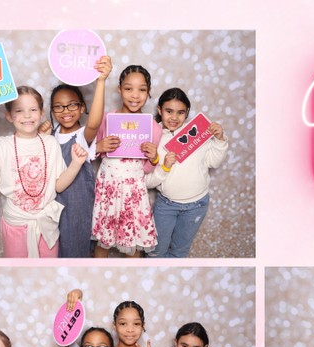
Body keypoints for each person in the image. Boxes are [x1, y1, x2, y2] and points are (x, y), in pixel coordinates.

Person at [0, 86, 88, 257]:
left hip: (46, 226)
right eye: (19, 110)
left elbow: (58, 186)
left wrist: (76, 164)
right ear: (9, 116)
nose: (27, 116)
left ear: (41, 113)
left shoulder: (50, 143)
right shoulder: (2, 146)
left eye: (33, 110)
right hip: (15, 227)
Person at [146, 88, 229, 257]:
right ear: (159, 110)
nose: (174, 118)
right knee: (155, 252)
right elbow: (147, 182)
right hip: (166, 205)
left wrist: (220, 140)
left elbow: (214, 161)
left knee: (179, 251)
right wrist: (165, 167)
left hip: (196, 205)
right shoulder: (153, 137)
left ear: (187, 113)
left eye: (180, 112)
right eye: (169, 111)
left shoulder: (196, 131)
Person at [91, 65, 162, 257]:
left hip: (134, 192)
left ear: (148, 93)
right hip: (109, 188)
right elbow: (90, 152)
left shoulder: (153, 128)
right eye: (129, 88)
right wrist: (99, 147)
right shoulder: (106, 119)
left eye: (142, 89)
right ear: (119, 89)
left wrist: (154, 157)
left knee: (134, 244)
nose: (135, 95)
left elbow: (147, 168)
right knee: (102, 242)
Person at [45, 56, 112, 257]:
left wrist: (101, 81)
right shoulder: (50, 136)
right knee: (51, 252)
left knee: (74, 251)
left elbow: (94, 123)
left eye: (72, 105)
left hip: (77, 209)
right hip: (50, 206)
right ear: (52, 110)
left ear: (82, 107)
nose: (66, 111)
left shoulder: (83, 136)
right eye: (59, 106)